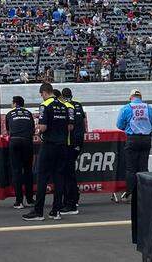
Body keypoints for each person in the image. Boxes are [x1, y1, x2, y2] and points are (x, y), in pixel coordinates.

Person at [23, 81, 72, 222]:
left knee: (42, 177)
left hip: (49, 144)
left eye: (42, 95)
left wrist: (38, 129)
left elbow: (43, 127)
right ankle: (56, 211)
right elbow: (69, 126)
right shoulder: (64, 106)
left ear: (44, 93)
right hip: (62, 145)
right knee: (59, 178)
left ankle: (38, 212)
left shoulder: (45, 105)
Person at [115, 88, 152, 240]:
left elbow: (119, 125)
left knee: (131, 168)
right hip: (146, 139)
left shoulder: (127, 108)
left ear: (131, 97)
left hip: (132, 139)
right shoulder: (148, 107)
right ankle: (146, 193)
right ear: (141, 97)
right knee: (143, 167)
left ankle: (130, 193)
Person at [5, 95, 35, 209]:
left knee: (16, 171)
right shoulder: (28, 113)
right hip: (27, 142)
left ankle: (19, 201)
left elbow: (8, 131)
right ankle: (30, 199)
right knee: (28, 171)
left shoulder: (9, 114)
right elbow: (32, 129)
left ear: (14, 104)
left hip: (15, 142)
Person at [61, 86, 87, 215]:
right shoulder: (78, 104)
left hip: (70, 141)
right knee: (70, 171)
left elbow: (68, 126)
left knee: (68, 172)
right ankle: (74, 200)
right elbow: (83, 119)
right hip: (80, 139)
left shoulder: (65, 106)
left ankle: (71, 203)